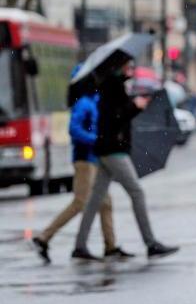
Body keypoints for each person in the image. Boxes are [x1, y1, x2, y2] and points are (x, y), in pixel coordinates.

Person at [73, 62, 178, 260]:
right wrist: (135, 107)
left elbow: (114, 116)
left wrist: (133, 105)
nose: (129, 68)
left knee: (95, 199)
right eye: (126, 65)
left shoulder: (110, 85)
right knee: (137, 192)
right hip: (114, 150)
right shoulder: (112, 86)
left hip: (107, 148)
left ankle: (80, 245)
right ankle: (150, 243)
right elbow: (115, 118)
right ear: (117, 67)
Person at [30, 69, 132, 264]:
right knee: (80, 203)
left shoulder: (93, 101)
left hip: (95, 160)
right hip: (85, 160)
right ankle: (44, 238)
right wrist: (96, 140)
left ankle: (110, 246)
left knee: (106, 203)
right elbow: (74, 129)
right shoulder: (84, 103)